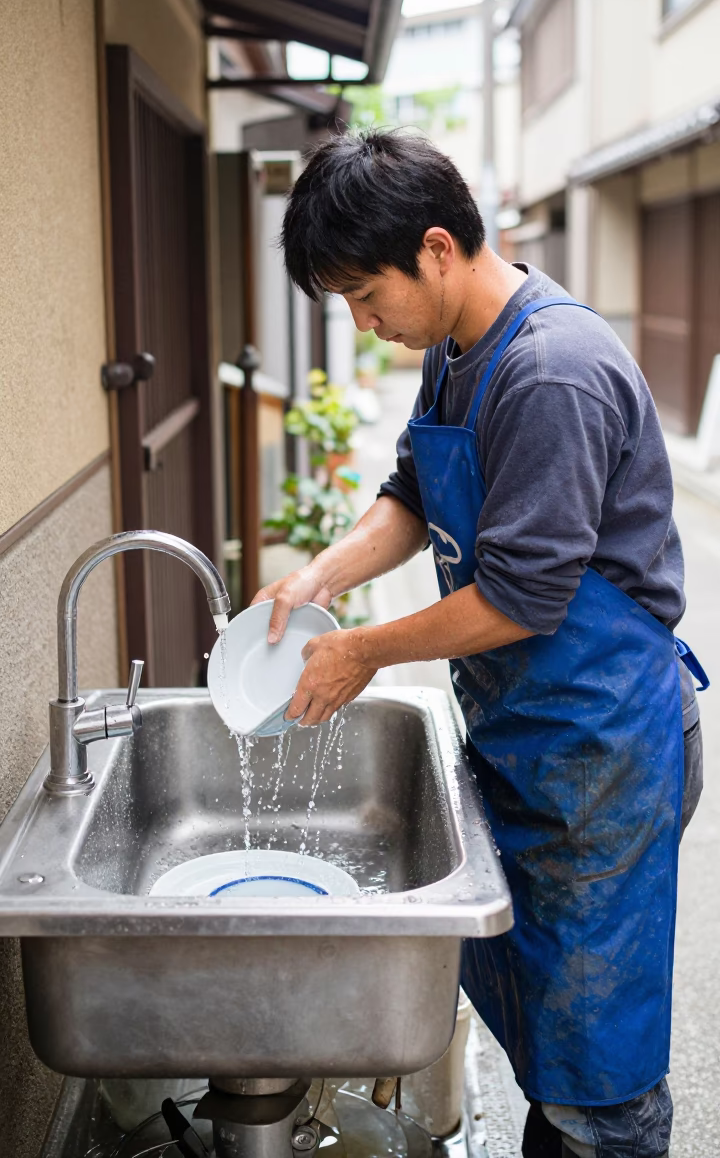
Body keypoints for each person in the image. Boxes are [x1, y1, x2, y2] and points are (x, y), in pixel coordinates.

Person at [253, 130, 707, 1158]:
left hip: (602, 748)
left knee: (604, 1074)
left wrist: (361, 647)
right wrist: (323, 575)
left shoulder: (550, 371)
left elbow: (520, 594)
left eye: (369, 294)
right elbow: (414, 491)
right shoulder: (455, 349)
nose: (366, 324)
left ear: (439, 247)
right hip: (527, 729)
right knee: (557, 1035)